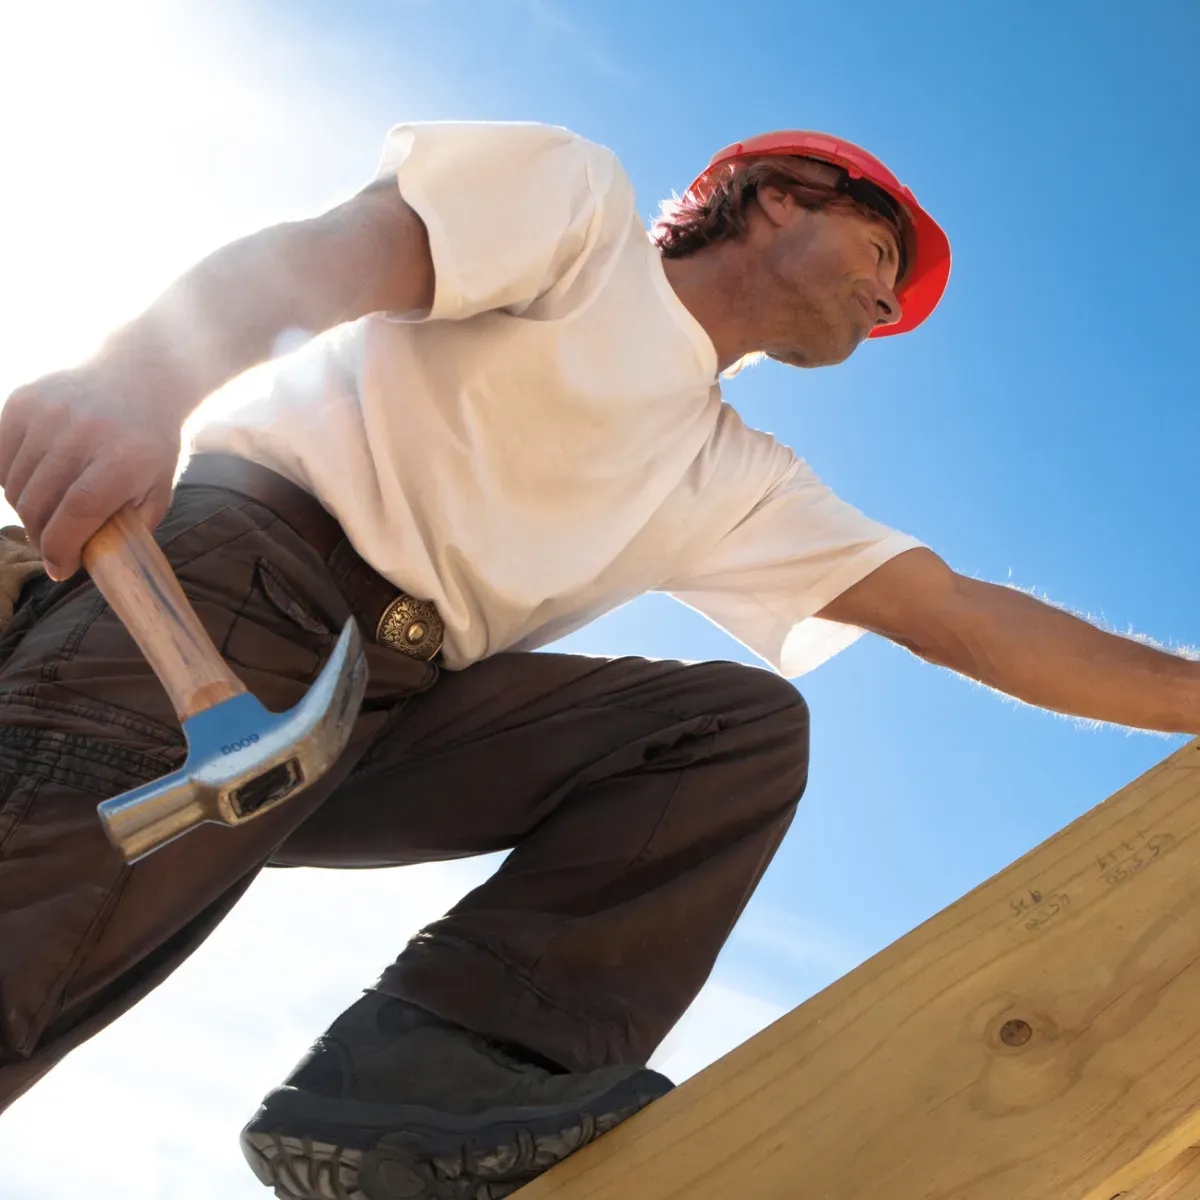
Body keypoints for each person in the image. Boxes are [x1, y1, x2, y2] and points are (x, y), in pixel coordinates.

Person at [0, 121, 1195, 1200]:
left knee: (729, 736)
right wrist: (139, 379)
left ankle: (431, 1083)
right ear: (775, 196)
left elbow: (964, 618)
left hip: (390, 710)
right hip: (231, 595)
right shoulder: (579, 217)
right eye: (880, 249)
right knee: (29, 964)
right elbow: (335, 254)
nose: (888, 300)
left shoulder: (727, 470)